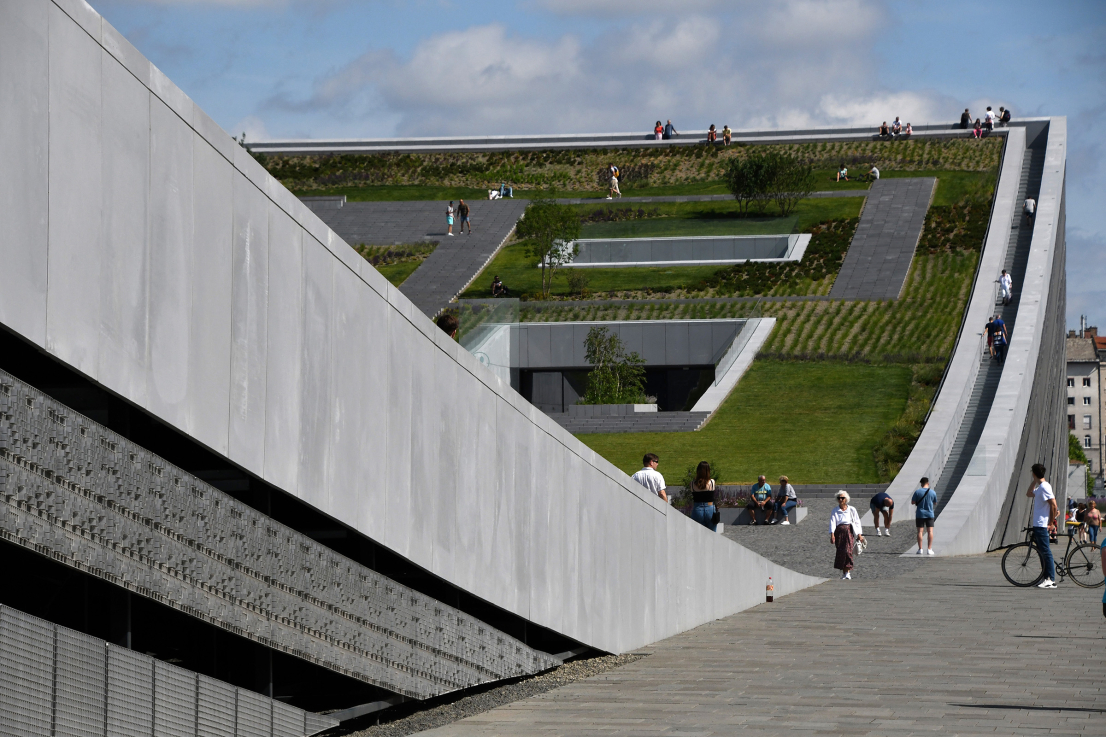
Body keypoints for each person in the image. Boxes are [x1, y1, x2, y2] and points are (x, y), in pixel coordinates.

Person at [1026, 463, 1058, 589]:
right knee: (1041, 552)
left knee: (1045, 551)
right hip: (1038, 524)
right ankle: (1045, 577)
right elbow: (1029, 493)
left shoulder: (1044, 487)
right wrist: (1035, 481)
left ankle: (1050, 579)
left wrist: (1051, 523)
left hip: (1042, 524)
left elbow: (1053, 504)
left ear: (1033, 473)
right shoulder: (1041, 487)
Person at [829, 491, 865, 580]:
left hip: (849, 531)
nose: (841, 500)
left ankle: (848, 572)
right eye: (839, 498)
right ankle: (844, 572)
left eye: (842, 498)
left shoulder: (852, 509)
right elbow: (832, 522)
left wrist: (859, 534)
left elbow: (857, 521)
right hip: (839, 533)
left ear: (846, 499)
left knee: (848, 551)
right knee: (841, 552)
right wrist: (832, 534)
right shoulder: (835, 510)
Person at [911, 478, 937, 555]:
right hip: (930, 514)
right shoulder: (932, 492)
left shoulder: (917, 492)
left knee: (920, 531)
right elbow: (935, 502)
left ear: (921, 484)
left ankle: (920, 549)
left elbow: (913, 502)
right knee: (930, 531)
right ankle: (929, 549)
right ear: (928, 483)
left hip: (920, 514)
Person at [690, 461, 716, 530]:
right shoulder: (712, 482)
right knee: (712, 533)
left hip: (697, 508)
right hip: (710, 507)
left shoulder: (692, 484)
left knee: (697, 533)